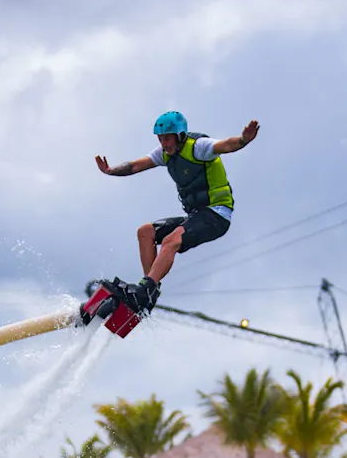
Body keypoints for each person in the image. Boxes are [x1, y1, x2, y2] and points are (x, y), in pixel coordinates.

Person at [93, 111, 259, 312]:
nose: (164, 144)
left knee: (172, 240)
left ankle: (146, 290)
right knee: (145, 232)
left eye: (167, 138)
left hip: (217, 214)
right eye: (161, 139)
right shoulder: (164, 153)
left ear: (180, 135)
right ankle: (148, 291)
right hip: (197, 216)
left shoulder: (199, 147)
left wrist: (243, 140)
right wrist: (111, 171)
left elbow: (225, 145)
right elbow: (135, 166)